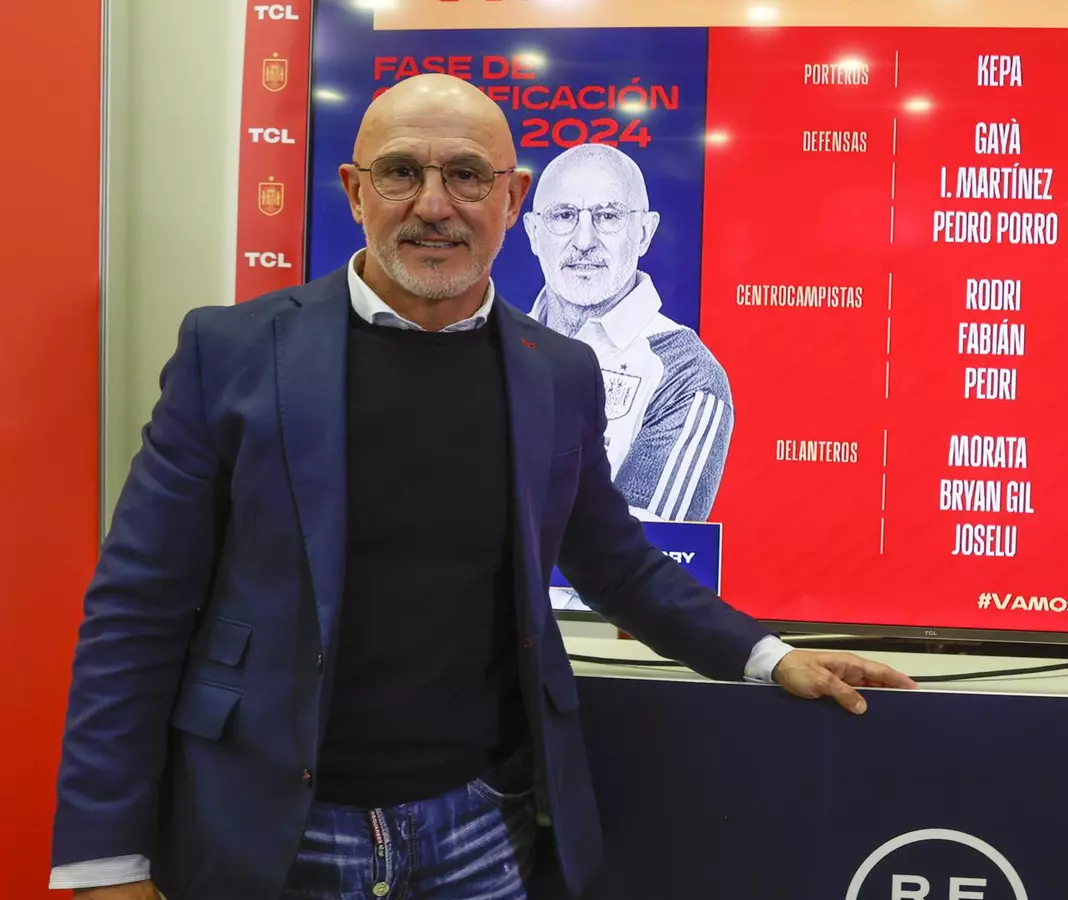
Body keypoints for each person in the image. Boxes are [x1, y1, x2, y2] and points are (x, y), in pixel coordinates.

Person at [48, 73, 915, 900]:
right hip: (267, 826)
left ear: (511, 198)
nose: (434, 204)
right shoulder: (231, 354)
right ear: (354, 191)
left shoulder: (558, 373)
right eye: (400, 172)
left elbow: (618, 565)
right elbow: (139, 608)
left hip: (477, 828)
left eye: (467, 175)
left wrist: (769, 656)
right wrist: (104, 854)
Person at [524, 144, 730, 525]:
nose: (584, 241)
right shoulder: (490, 348)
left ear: (644, 233)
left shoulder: (686, 374)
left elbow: (639, 549)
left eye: (608, 216)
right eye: (564, 215)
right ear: (534, 233)